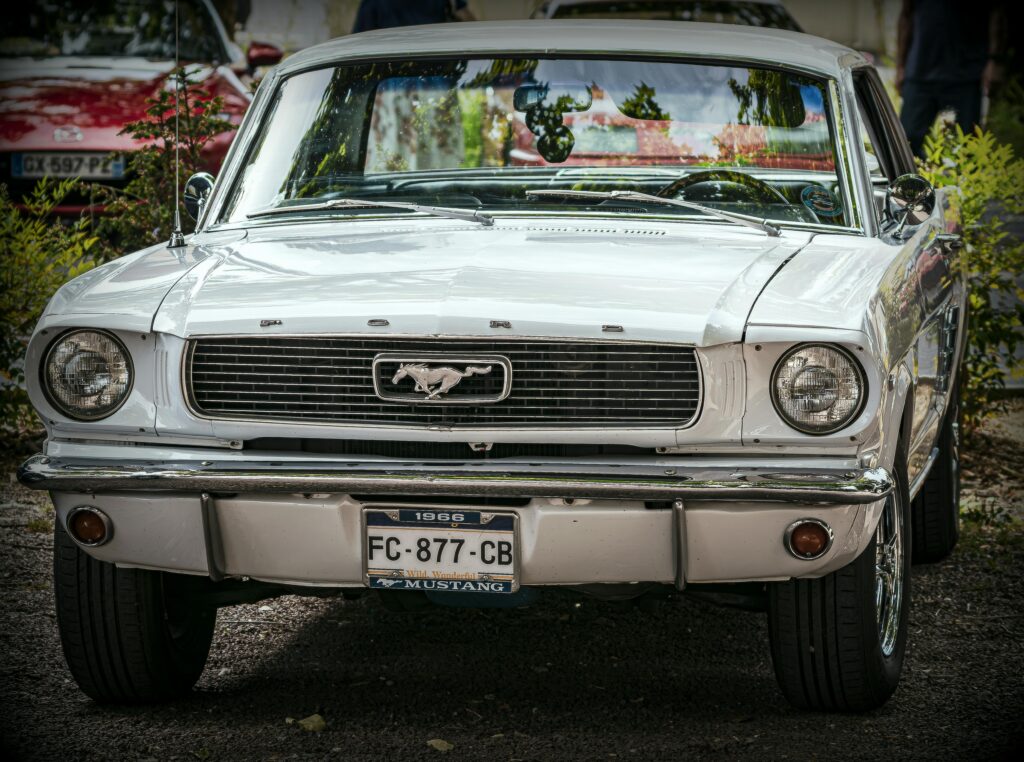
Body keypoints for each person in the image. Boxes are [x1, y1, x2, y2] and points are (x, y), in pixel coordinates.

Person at [896, 0, 1007, 157]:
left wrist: (995, 60)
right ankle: (918, 180)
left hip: (966, 74)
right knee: (906, 142)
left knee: (967, 147)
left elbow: (996, 14)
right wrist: (900, 66)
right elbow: (906, 15)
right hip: (920, 70)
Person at [352, 0, 475, 33]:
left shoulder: (373, 3)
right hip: (439, 70)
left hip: (393, 78)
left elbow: (358, 44)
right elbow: (471, 25)